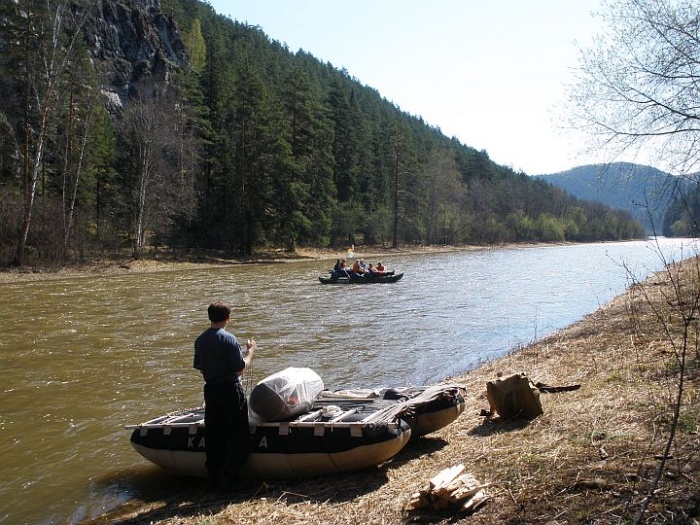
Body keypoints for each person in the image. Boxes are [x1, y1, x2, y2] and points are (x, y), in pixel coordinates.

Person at [193, 300, 256, 490]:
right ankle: (230, 479)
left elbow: (202, 371)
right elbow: (239, 369)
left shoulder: (200, 340)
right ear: (228, 318)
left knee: (214, 436)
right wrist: (250, 351)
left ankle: (213, 476)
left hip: (211, 391)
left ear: (209, 317)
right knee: (238, 436)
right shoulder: (229, 339)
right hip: (230, 390)